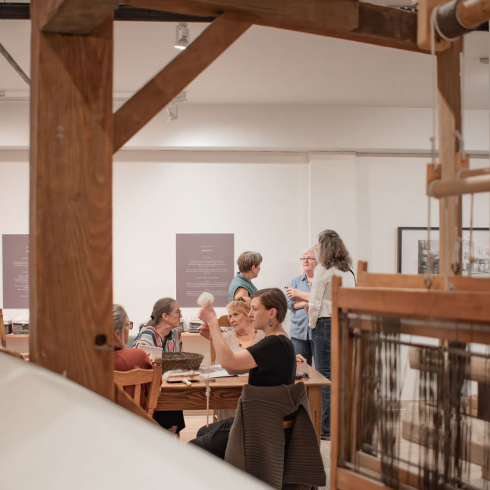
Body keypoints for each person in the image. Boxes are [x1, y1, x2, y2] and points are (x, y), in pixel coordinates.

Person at [191, 288, 296, 458]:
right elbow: (233, 368)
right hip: (262, 418)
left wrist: (213, 322)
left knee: (193, 447)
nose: (251, 314)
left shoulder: (273, 344)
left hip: (260, 424)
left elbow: (229, 362)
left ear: (272, 313)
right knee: (204, 431)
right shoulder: (279, 341)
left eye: (255, 309)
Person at [308, 229, 355, 440]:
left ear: (323, 247)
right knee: (341, 374)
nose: (316, 248)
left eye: (317, 245)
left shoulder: (322, 269)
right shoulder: (348, 271)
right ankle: (341, 425)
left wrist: (311, 325)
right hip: (346, 323)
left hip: (325, 323)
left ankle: (325, 428)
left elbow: (314, 301)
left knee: (325, 376)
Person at [200, 296, 265, 420]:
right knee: (223, 398)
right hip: (229, 391)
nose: (231, 320)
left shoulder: (263, 336)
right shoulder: (227, 337)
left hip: (256, 390)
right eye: (230, 316)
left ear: (248, 315)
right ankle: (228, 432)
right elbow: (221, 368)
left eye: (235, 315)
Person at [132, 297, 185, 434]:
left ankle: (168, 439)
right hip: (149, 391)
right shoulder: (148, 333)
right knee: (171, 409)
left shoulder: (175, 334)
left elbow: (180, 360)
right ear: (165, 316)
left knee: (175, 401)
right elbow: (137, 359)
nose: (181, 316)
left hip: (169, 388)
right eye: (178, 312)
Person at [113, 304, 153, 408]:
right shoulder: (139, 356)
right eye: (128, 325)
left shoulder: (88, 360)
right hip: (133, 420)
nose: (129, 328)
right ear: (117, 333)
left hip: (98, 421)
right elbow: (155, 392)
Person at [285, 248, 317, 366]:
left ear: (317, 262)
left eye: (309, 258)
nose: (305, 261)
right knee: (302, 369)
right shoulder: (294, 282)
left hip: (317, 332)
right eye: (303, 258)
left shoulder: (321, 282)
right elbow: (288, 303)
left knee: (321, 369)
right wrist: (308, 301)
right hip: (298, 333)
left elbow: (324, 299)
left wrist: (299, 295)